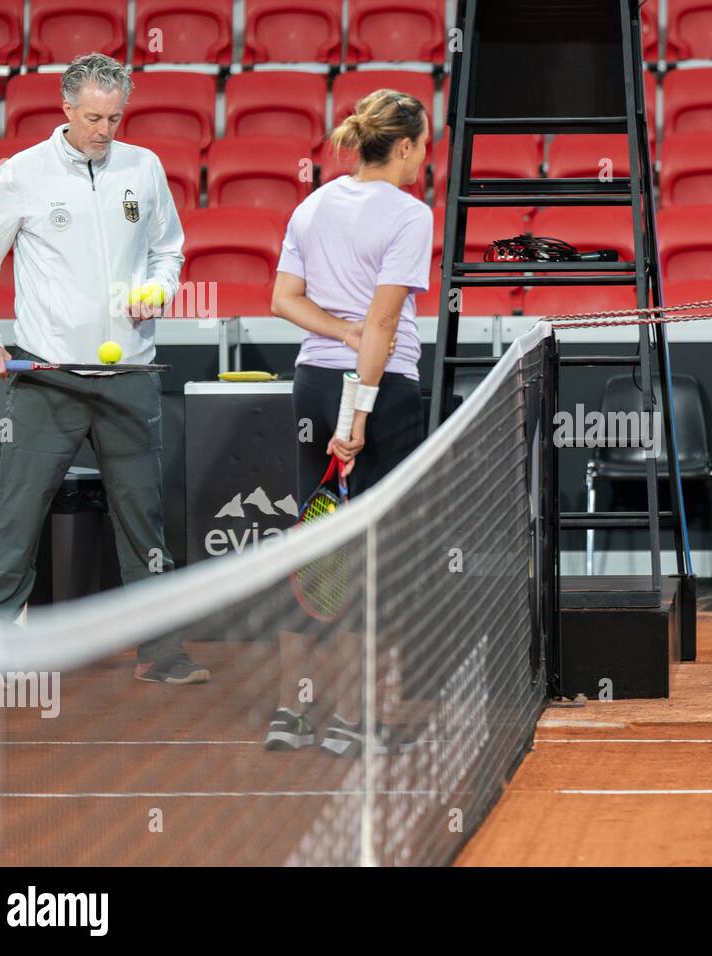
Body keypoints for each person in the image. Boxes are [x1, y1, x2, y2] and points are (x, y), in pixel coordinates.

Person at [0, 53, 208, 684]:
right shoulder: (23, 174)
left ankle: (161, 651)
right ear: (66, 109)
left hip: (130, 378)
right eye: (94, 116)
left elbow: (168, 250)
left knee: (143, 521)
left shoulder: (143, 167)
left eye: (115, 117)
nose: (104, 129)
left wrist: (159, 287)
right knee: (16, 517)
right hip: (45, 377)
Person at [267, 90, 432, 754]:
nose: (424, 158)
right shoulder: (409, 214)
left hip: (311, 384)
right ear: (402, 148)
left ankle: (291, 714)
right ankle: (354, 722)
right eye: (423, 146)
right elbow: (385, 326)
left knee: (315, 543)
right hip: (379, 391)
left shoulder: (312, 206)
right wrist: (359, 413)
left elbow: (282, 301)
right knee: (375, 550)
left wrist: (337, 331)